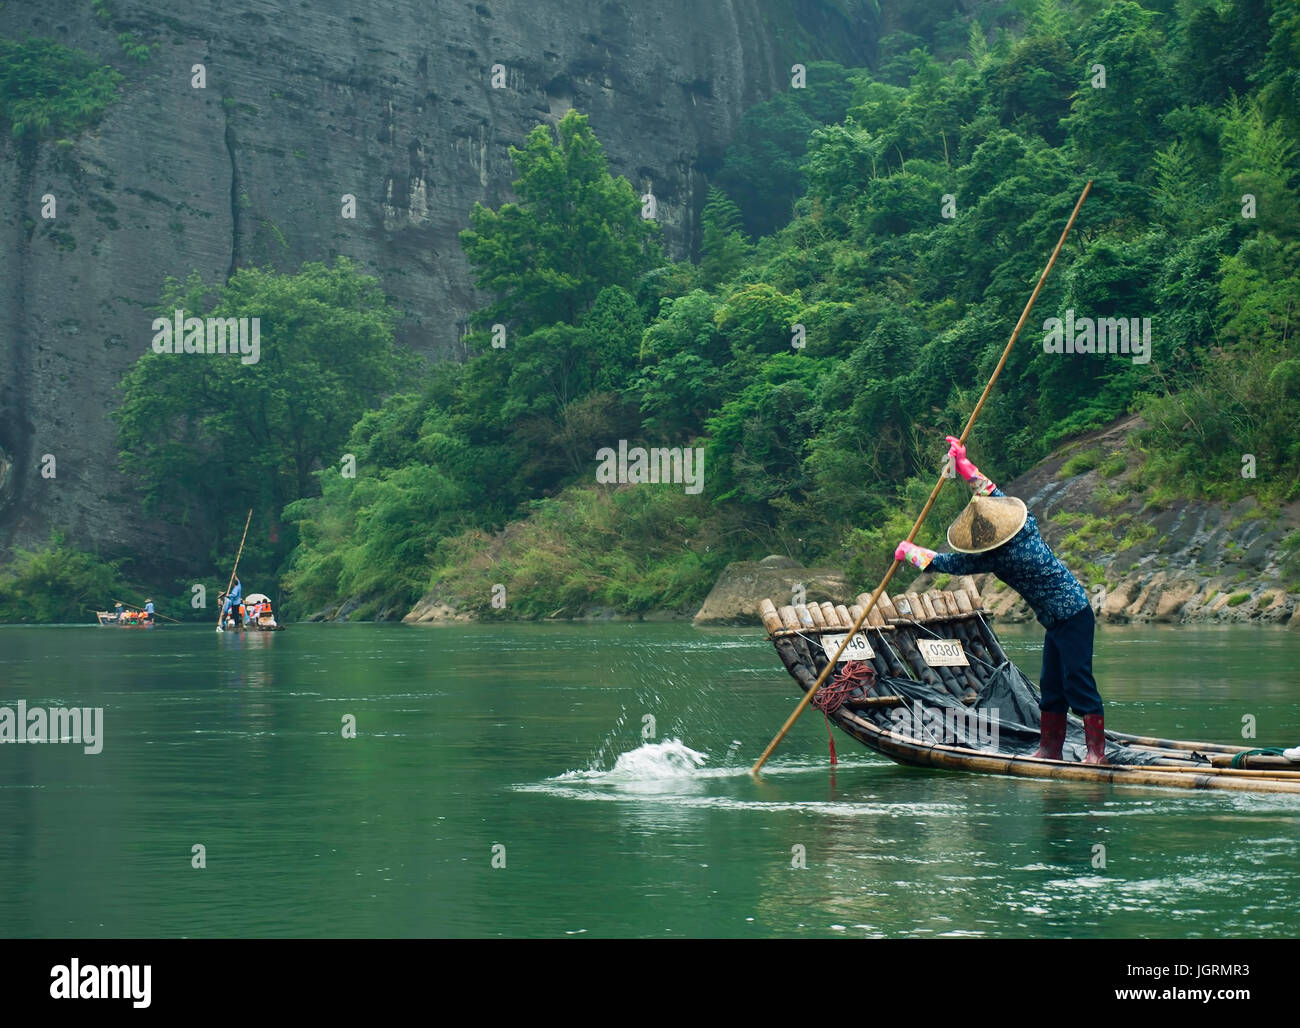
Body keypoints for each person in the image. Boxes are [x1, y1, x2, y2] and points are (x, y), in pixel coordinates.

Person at [895, 436, 1107, 764]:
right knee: (1051, 686)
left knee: (1077, 680)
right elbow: (991, 492)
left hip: (1073, 615)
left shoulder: (999, 556)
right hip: (1056, 621)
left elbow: (950, 563)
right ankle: (1050, 750)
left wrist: (911, 553)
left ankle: (1096, 754)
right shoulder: (1025, 526)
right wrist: (964, 464)